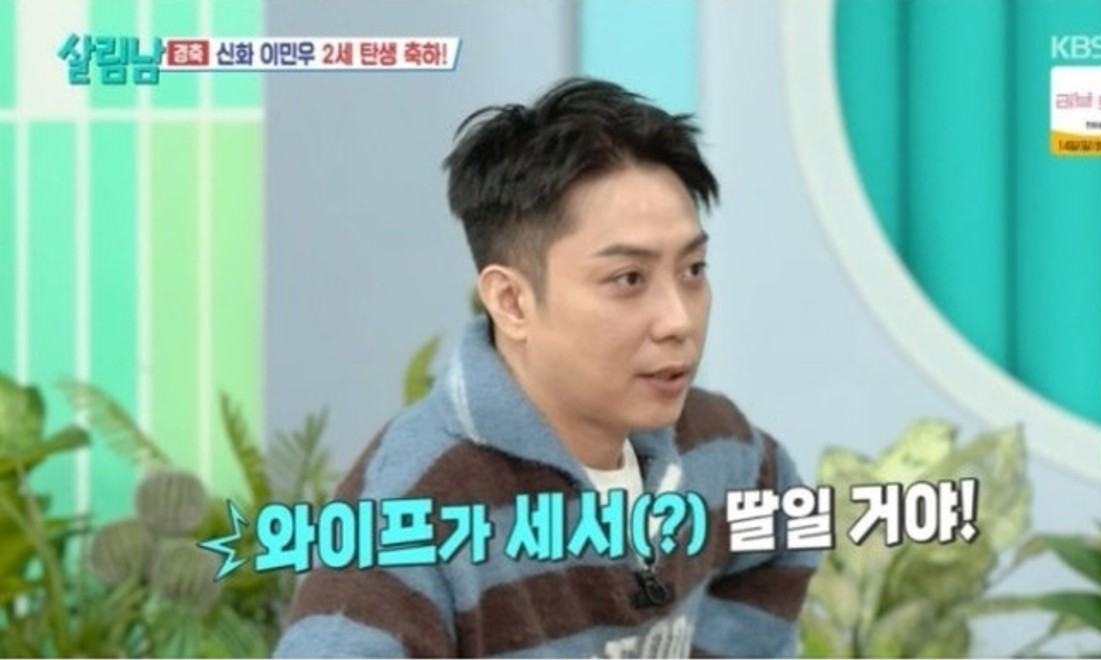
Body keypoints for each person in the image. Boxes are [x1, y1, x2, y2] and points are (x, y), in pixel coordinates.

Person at [274, 77, 819, 659]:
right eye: (628, 279)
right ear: (511, 301)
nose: (678, 320)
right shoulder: (408, 513)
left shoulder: (718, 445)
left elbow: (786, 530)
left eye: (693, 270)